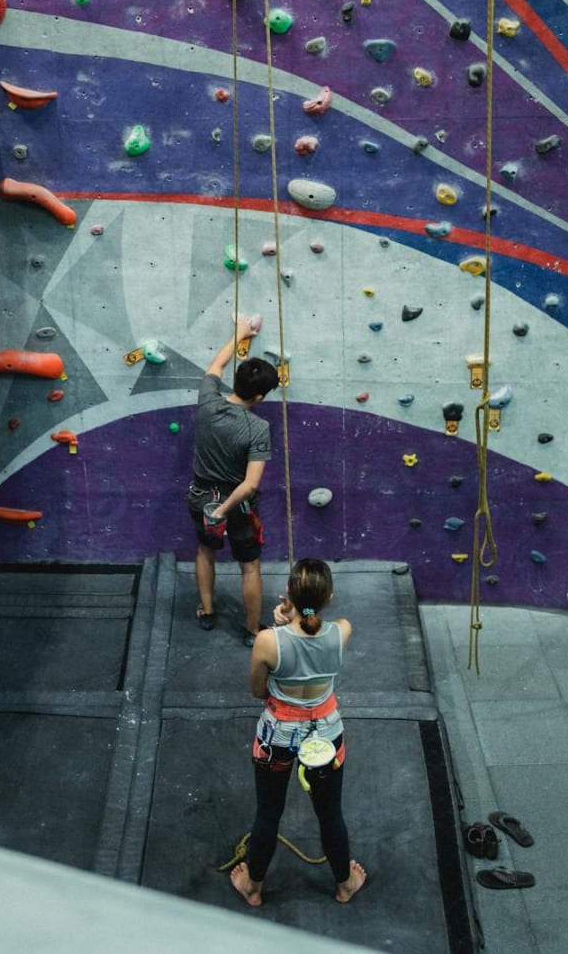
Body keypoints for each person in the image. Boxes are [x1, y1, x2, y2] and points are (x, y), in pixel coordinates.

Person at [230, 558, 366, 907]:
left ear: (288, 593)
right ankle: (344, 885)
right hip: (325, 736)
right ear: (330, 597)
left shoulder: (266, 642)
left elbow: (259, 692)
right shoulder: (343, 631)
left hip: (277, 738)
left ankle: (254, 888)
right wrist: (293, 616)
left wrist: (282, 623)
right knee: (330, 813)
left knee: (268, 814)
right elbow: (313, 631)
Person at [187, 319, 280, 645]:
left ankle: (208, 611)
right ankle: (253, 631)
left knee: (205, 551)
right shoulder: (258, 428)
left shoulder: (207, 400)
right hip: (235, 504)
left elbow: (217, 364)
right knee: (250, 567)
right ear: (258, 396)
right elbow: (250, 484)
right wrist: (224, 510)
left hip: (201, 496)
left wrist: (240, 333)